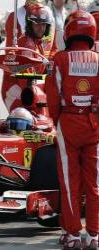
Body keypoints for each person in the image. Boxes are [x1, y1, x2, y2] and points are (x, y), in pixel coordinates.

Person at [45, 10, 99, 250]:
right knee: (95, 182)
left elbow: (53, 96)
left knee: (70, 182)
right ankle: (95, 235)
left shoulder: (59, 59)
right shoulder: (98, 59)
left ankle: (73, 235)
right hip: (94, 124)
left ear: (68, 31)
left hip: (68, 122)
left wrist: (56, 121)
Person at [2, 4, 56, 112]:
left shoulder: (38, 42)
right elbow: (26, 82)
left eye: (43, 25)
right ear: (30, 25)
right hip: (16, 92)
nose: (41, 28)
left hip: (29, 89)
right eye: (37, 24)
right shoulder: (27, 45)